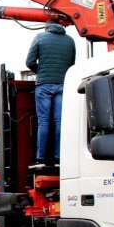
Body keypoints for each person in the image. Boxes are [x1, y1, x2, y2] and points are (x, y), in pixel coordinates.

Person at [25, 18, 76, 165]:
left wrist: (40, 72)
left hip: (45, 85)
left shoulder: (40, 37)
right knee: (60, 122)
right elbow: (72, 64)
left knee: (44, 122)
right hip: (62, 84)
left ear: (46, 26)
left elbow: (29, 62)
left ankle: (40, 157)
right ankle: (58, 157)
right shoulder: (70, 40)